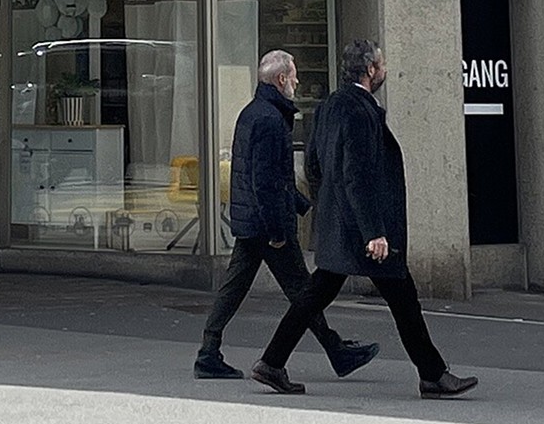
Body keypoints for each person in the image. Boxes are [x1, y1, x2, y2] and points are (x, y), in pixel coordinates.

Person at [256, 41, 474, 398]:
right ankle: (433, 375)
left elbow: (314, 166)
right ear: (371, 70)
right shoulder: (360, 110)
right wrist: (374, 231)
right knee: (402, 297)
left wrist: (329, 205)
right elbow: (356, 173)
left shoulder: (328, 107)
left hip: (340, 223)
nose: (385, 69)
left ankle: (272, 362)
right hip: (363, 228)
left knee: (316, 295)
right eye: (382, 64)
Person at [193, 51, 373, 381]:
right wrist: (278, 229)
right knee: (304, 291)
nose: (297, 81)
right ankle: (333, 351)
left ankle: (209, 351)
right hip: (267, 225)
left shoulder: (255, 113)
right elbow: (264, 181)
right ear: (281, 80)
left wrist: (303, 204)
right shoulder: (269, 119)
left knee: (240, 289)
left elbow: (268, 177)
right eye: (294, 75)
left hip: (255, 222)